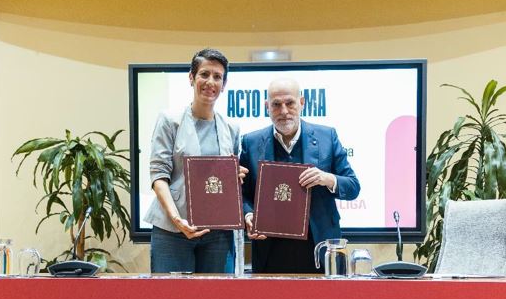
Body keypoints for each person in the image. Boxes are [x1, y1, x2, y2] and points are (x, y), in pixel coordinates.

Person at [240, 78, 360, 274]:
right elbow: (242, 192)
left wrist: (326, 178)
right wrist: (249, 214)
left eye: (290, 103)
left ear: (302, 103)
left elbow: (353, 187)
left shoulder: (327, 137)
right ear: (266, 107)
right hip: (270, 248)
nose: (284, 111)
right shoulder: (250, 142)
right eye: (276, 105)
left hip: (319, 247)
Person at [145, 48, 247, 273]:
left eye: (217, 77)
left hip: (217, 234)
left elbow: (225, 181)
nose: (210, 82)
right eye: (204, 74)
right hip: (172, 229)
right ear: (191, 78)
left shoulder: (232, 129)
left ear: (224, 84)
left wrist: (234, 177)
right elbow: (158, 175)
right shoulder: (169, 121)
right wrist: (176, 219)